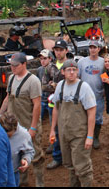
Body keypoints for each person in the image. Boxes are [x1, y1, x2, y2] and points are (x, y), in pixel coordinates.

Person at [0, 52, 44, 186]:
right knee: (17, 155)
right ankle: (22, 182)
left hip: (28, 123)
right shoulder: (11, 78)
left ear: (24, 64)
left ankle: (39, 182)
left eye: (16, 66)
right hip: (13, 126)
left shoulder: (33, 81)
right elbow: (7, 98)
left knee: (35, 155)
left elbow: (37, 105)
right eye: (11, 65)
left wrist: (33, 127)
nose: (13, 68)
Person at [50, 59, 97, 187]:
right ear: (63, 72)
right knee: (70, 165)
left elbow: (92, 112)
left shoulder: (84, 87)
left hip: (79, 134)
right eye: (68, 70)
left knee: (82, 167)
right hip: (64, 133)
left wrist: (90, 136)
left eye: (74, 70)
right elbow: (56, 108)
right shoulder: (60, 85)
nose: (71, 72)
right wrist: (52, 130)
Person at [44, 40, 69, 170]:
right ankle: (57, 157)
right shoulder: (50, 66)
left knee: (69, 129)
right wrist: (50, 86)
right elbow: (44, 84)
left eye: (61, 50)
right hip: (54, 102)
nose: (58, 52)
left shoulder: (70, 65)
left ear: (66, 50)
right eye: (56, 50)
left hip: (68, 103)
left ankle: (68, 156)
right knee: (55, 130)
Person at [78, 41, 105, 149]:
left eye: (95, 47)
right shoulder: (82, 62)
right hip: (84, 95)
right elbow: (78, 77)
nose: (93, 50)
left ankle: (96, 137)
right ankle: (86, 136)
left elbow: (105, 77)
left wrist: (105, 90)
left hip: (98, 94)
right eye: (91, 47)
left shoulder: (103, 62)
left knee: (97, 117)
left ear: (99, 49)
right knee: (83, 117)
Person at [0, 112, 35, 187]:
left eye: (9, 136)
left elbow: (29, 151)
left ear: (15, 128)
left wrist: (26, 159)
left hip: (11, 173)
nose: (6, 139)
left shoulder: (24, 135)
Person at [35, 49, 61, 156]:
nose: (42, 61)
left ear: (50, 58)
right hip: (41, 99)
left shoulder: (53, 69)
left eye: (45, 58)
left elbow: (56, 85)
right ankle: (37, 144)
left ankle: (54, 145)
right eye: (41, 59)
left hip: (51, 100)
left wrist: (46, 86)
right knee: (36, 122)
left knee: (53, 125)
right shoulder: (40, 70)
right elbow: (38, 84)